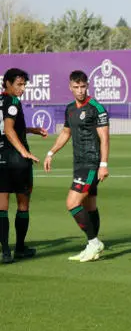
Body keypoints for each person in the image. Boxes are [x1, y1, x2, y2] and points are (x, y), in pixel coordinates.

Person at [44, 71, 112, 261]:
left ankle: (94, 242)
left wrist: (103, 165)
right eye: (76, 87)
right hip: (79, 162)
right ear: (70, 87)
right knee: (89, 206)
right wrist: (51, 152)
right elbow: (66, 133)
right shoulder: (70, 109)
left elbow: (104, 138)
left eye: (83, 87)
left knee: (72, 203)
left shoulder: (96, 108)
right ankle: (91, 246)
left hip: (91, 163)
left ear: (87, 86)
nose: (80, 91)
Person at [0, 68, 45, 264]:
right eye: (19, 84)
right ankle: (19, 248)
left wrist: (31, 129)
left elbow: (7, 127)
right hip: (16, 161)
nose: (23, 88)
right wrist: (24, 152)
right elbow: (10, 130)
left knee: (1, 207)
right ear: (7, 83)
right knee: (23, 205)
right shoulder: (13, 102)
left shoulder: (1, 101)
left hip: (0, 158)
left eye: (24, 84)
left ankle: (5, 252)